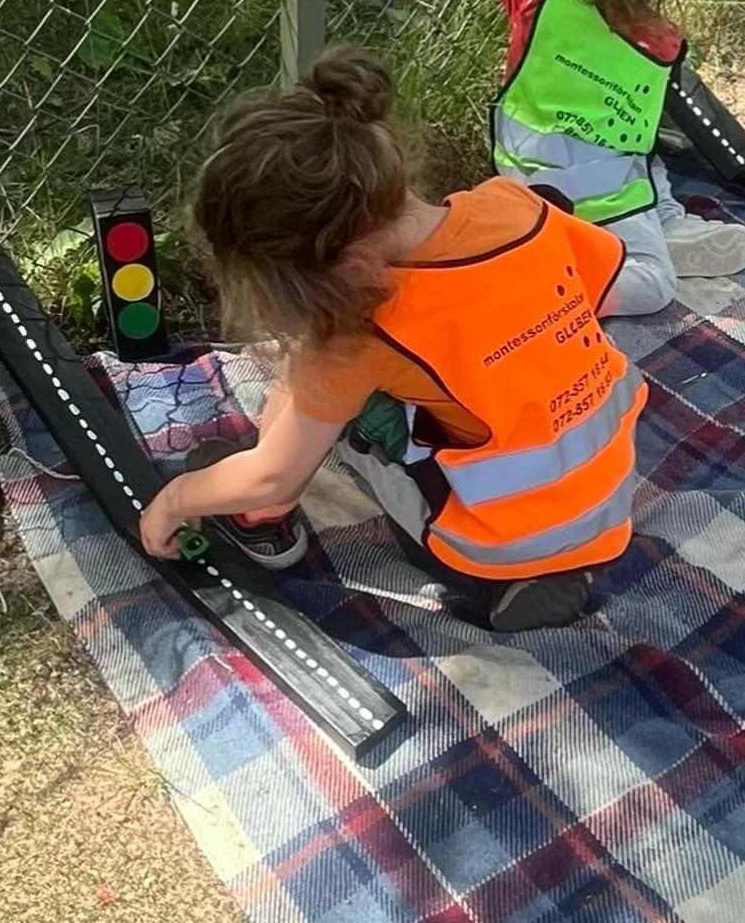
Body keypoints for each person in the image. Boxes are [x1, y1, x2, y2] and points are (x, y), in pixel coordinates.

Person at [137, 48, 648, 633]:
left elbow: (275, 472)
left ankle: (263, 521)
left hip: (481, 543)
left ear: (342, 259)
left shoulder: (361, 331)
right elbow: (596, 295)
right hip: (607, 497)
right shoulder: (518, 205)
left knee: (344, 405)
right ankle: (567, 561)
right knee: (430, 383)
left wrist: (177, 499)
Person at [475, 0, 745, 316]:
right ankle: (623, 250)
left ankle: (636, 234)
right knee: (655, 282)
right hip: (609, 198)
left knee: (644, 157)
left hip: (521, 179)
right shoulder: (664, 46)